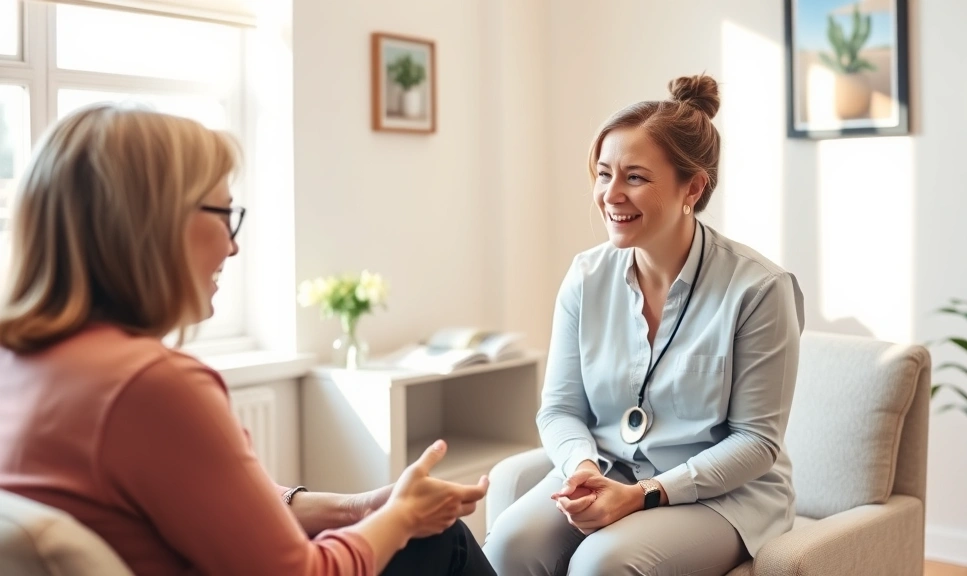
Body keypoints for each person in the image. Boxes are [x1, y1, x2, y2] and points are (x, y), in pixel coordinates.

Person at [0, 104, 496, 576]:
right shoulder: (148, 385)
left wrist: (358, 508)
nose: (233, 245)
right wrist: (403, 516)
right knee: (441, 537)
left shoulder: (23, 363)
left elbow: (209, 503)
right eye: (225, 213)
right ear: (155, 224)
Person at [483, 74, 805, 576]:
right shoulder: (586, 278)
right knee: (508, 545)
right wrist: (584, 469)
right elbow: (561, 409)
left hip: (722, 497)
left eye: (634, 177)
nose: (611, 194)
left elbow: (756, 442)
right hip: (611, 470)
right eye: (603, 173)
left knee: (600, 566)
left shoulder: (759, 289)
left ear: (692, 188)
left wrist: (644, 495)